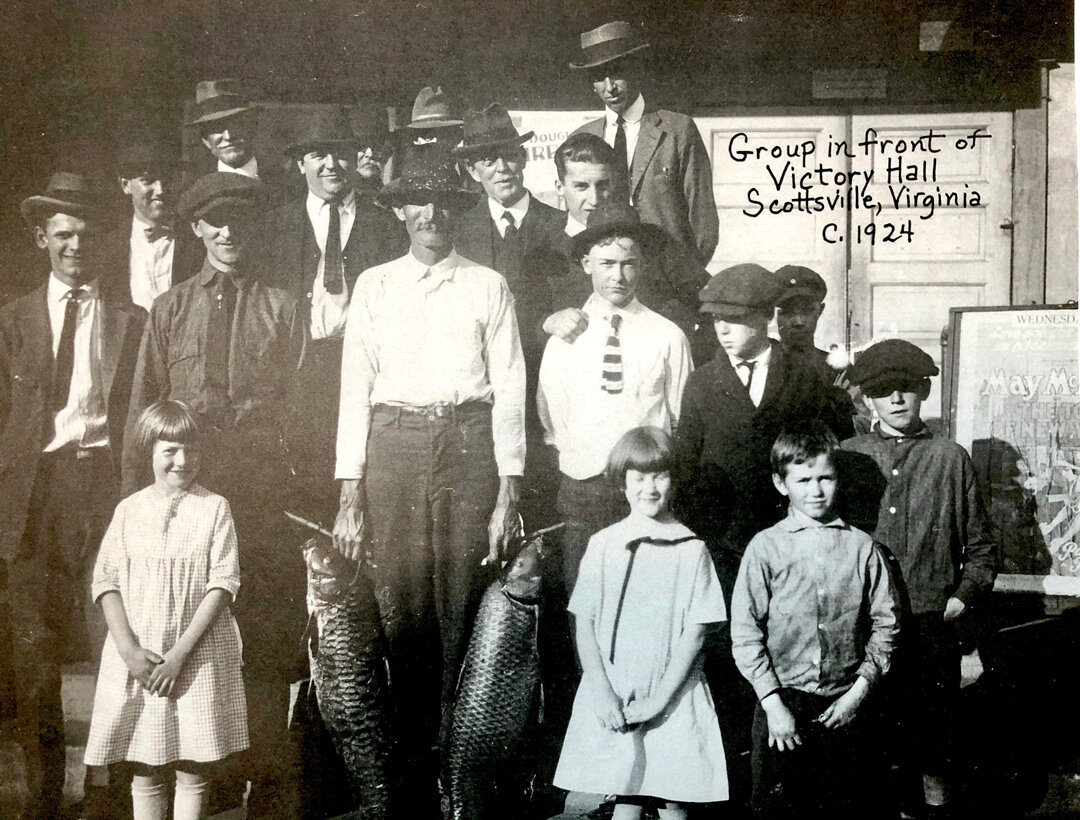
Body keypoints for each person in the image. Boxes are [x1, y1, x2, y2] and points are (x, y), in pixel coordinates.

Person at [333, 146, 525, 818]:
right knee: (400, 609)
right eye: (417, 200)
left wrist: (508, 488)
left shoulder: (486, 284)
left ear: (457, 210)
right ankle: (409, 781)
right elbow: (354, 389)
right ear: (399, 210)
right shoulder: (375, 285)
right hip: (393, 450)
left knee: (460, 605)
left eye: (443, 200)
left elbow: (510, 390)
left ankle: (458, 779)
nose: (431, 213)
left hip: (468, 448)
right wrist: (349, 490)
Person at [122, 172, 307, 818]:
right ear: (196, 229)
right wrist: (134, 509)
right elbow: (145, 415)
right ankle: (206, 771)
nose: (230, 233)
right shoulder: (169, 310)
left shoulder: (283, 306)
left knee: (259, 638)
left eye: (239, 221)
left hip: (259, 499)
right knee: (187, 630)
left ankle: (267, 784)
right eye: (215, 222)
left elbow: (303, 411)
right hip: (190, 498)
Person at [670, 263, 851, 810]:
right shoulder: (703, 381)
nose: (723, 331)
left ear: (764, 318)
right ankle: (728, 788)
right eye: (715, 321)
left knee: (792, 654)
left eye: (736, 320)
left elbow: (829, 453)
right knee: (730, 659)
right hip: (725, 548)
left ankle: (793, 784)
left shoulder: (805, 375)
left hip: (793, 543)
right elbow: (688, 464)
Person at [0, 171, 145, 820]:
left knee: (114, 644)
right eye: (63, 235)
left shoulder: (130, 322)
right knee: (34, 661)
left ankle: (106, 792)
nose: (75, 247)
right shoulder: (10, 322)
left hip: (104, 494)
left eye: (86, 235)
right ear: (41, 239)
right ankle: (43, 799)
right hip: (33, 500)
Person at [839, 339, 998, 820]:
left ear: (923, 392)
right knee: (869, 744)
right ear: (867, 399)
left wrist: (961, 599)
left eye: (907, 388)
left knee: (933, 747)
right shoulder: (848, 456)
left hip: (930, 624)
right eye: (883, 390)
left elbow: (983, 547)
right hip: (862, 627)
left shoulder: (949, 458)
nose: (897, 399)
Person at [553, 426, 728, 818]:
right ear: (622, 482)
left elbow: (697, 633)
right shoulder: (602, 544)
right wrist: (601, 691)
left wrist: (660, 699)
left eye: (659, 475)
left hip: (672, 692)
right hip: (614, 689)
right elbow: (585, 623)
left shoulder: (691, 549)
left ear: (675, 479)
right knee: (626, 790)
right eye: (639, 477)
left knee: (672, 797)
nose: (649, 487)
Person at [84, 400, 247, 820]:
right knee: (147, 764)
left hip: (196, 656)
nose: (182, 460)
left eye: (191, 449)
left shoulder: (215, 508)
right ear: (149, 451)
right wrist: (129, 652)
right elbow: (106, 582)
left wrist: (179, 656)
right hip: (141, 657)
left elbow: (223, 583)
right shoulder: (129, 510)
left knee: (193, 765)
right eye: (170, 450)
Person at [730, 423, 900, 819]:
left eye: (825, 477)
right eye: (803, 479)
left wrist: (858, 693)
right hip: (783, 705)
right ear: (780, 483)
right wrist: (773, 705)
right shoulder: (766, 547)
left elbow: (886, 624)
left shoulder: (861, 547)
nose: (816, 490)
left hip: (846, 704)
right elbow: (745, 631)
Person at [259, 106, 405, 526]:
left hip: (365, 371)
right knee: (308, 488)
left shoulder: (385, 226)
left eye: (340, 153)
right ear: (301, 162)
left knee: (365, 485)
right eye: (318, 154)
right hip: (299, 373)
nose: (330, 164)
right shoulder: (275, 226)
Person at [537, 201, 693, 592]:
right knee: (585, 596)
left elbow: (678, 416)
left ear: (642, 265)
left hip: (644, 491)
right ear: (587, 263)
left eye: (628, 264)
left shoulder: (666, 335)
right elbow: (551, 414)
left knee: (646, 595)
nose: (618, 276)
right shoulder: (567, 336)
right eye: (607, 264)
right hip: (583, 488)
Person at [533, 132, 713, 362]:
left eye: (603, 185)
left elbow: (714, 301)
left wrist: (686, 353)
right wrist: (547, 322)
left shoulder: (654, 241)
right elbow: (526, 320)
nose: (595, 199)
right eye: (581, 186)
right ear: (560, 186)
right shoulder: (543, 249)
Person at [570, 21, 719, 267]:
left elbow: (704, 222)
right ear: (591, 83)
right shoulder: (583, 138)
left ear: (635, 68)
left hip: (669, 276)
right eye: (599, 77)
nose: (610, 88)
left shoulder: (677, 130)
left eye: (617, 72)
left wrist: (686, 277)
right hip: (607, 277)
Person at [102, 142, 202, 312]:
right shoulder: (108, 246)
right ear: (125, 185)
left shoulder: (197, 240)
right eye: (148, 181)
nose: (160, 190)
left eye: (167, 179)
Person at [774, 265, 870, 433]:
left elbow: (861, 424)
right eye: (787, 312)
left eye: (807, 311)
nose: (798, 321)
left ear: (820, 311)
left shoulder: (836, 370)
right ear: (772, 312)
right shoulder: (760, 364)